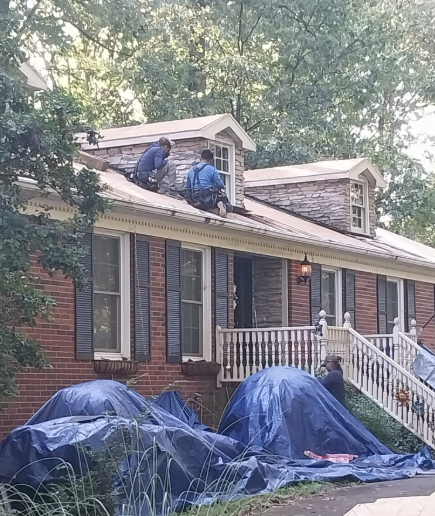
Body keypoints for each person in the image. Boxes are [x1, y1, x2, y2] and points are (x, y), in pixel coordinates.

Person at [184, 149, 233, 217]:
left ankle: (209, 209)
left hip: (195, 199)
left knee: (202, 205)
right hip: (208, 199)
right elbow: (220, 185)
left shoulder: (191, 170)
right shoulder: (212, 169)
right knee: (226, 202)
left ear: (201, 158)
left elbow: (188, 187)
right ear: (211, 160)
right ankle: (220, 205)